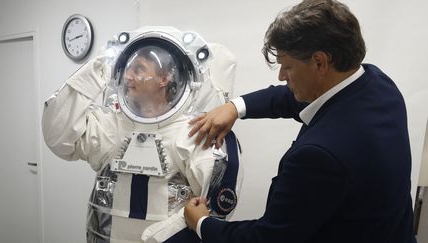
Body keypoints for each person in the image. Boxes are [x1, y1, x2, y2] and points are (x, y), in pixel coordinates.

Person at [184, 0, 417, 242]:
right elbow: (296, 98)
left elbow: (268, 239)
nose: (281, 76)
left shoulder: (320, 156)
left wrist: (202, 223)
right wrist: (235, 106)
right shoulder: (377, 85)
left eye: (287, 66)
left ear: (319, 62)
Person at [42, 26, 242, 243]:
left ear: (164, 78)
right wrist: (96, 71)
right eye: (128, 67)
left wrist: (157, 238)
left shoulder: (193, 131)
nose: (128, 75)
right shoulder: (112, 127)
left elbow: (214, 208)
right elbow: (57, 135)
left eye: (138, 69)